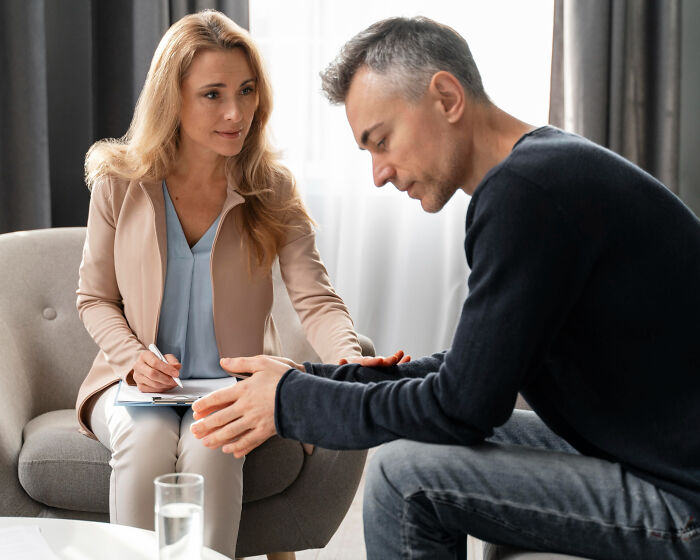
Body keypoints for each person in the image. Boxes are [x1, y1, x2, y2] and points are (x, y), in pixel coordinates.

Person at [189, 16, 700, 560]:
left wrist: (293, 402)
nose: (378, 174)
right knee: (419, 444)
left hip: (682, 496)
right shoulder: (542, 172)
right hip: (654, 458)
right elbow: (474, 369)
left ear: (447, 97)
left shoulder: (528, 196)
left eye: (381, 141)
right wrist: (312, 377)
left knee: (399, 475)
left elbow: (463, 407)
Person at [74, 10, 370, 560]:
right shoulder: (119, 181)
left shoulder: (270, 188)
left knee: (214, 448)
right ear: (173, 99)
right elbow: (94, 297)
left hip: (234, 388)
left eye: (246, 90)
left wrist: (348, 369)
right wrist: (135, 357)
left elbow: (315, 297)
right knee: (145, 443)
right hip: (133, 382)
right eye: (212, 94)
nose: (236, 112)